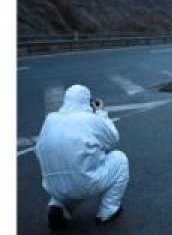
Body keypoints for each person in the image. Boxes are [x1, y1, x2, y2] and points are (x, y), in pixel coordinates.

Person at [35, 84, 128, 229]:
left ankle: (57, 206)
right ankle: (108, 211)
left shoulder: (50, 119)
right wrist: (101, 113)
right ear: (87, 101)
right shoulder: (89, 119)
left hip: (53, 186)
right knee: (120, 160)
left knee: (66, 176)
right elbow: (113, 139)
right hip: (84, 182)